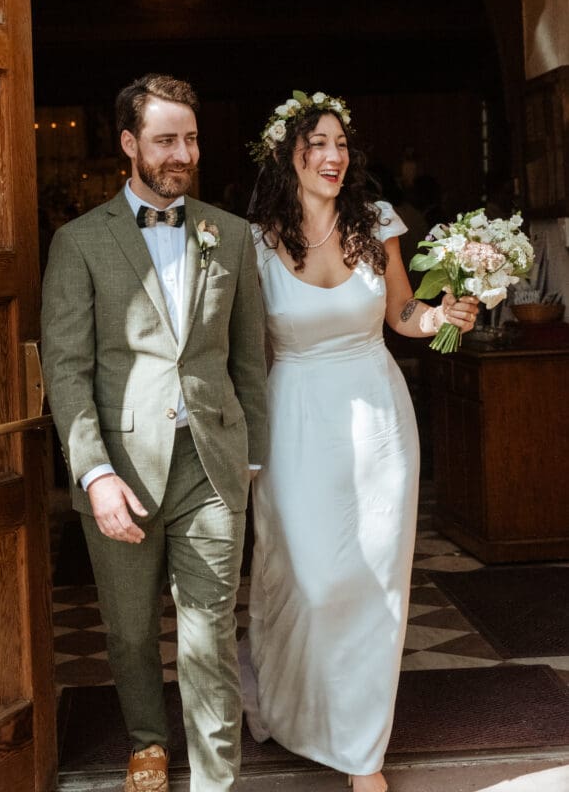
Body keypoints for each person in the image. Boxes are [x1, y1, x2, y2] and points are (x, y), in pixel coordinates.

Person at [243, 91, 478, 792]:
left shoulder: (375, 223)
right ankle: (295, 710)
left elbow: (401, 311)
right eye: (317, 143)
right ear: (288, 153)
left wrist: (443, 314)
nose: (333, 155)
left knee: (375, 578)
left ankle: (361, 755)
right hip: (294, 417)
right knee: (309, 581)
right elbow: (247, 354)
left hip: (376, 415)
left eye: (341, 143)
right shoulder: (254, 240)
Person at [41, 73, 268, 792]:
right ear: (129, 144)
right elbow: (67, 370)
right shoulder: (78, 242)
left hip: (211, 460)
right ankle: (146, 740)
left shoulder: (228, 234)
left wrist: (251, 461)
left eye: (191, 139)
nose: (182, 154)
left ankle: (214, 776)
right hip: (122, 470)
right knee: (131, 628)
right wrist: (93, 473)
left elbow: (248, 360)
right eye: (166, 139)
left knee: (208, 628)